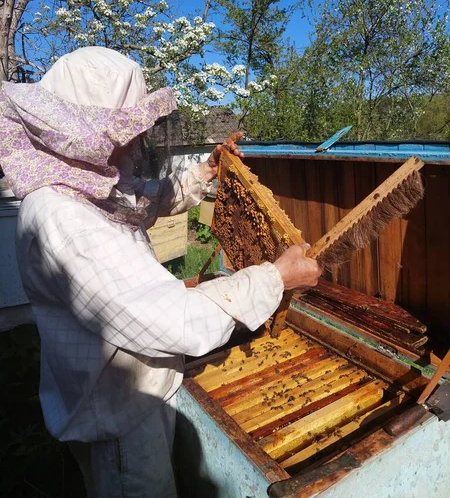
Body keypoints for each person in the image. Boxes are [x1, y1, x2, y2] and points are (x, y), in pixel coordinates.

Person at [0, 47, 320, 498]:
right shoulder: (63, 217)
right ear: (90, 128)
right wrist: (276, 277)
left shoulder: (86, 188)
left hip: (122, 392)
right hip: (119, 420)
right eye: (128, 127)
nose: (137, 140)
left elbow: (145, 200)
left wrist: (206, 170)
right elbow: (176, 322)